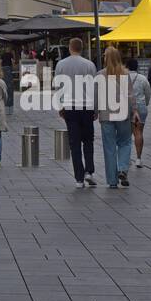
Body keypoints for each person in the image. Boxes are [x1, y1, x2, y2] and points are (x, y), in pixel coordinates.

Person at [53, 37, 98, 188]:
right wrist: (95, 108)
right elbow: (95, 88)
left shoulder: (61, 64)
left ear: (70, 48)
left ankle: (79, 178)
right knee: (88, 140)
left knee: (74, 143)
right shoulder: (90, 65)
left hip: (70, 107)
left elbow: (58, 87)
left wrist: (60, 106)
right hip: (86, 106)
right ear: (82, 48)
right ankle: (89, 172)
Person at [99, 47, 135, 188]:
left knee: (109, 147)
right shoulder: (125, 74)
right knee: (125, 142)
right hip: (123, 114)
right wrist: (135, 111)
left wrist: (95, 111)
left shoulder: (100, 75)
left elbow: (97, 96)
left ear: (106, 58)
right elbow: (131, 96)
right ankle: (123, 169)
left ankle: (112, 181)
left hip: (106, 115)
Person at [125, 57, 151, 169]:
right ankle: (138, 159)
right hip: (140, 106)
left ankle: (126, 159)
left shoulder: (122, 78)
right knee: (139, 132)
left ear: (126, 66)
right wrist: (145, 103)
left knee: (126, 135)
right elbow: (148, 93)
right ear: (137, 67)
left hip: (126, 107)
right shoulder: (142, 78)